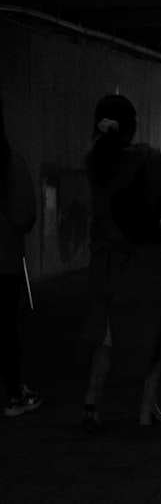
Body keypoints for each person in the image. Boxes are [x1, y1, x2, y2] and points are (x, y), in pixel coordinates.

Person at [80, 94, 161, 432]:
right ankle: (146, 409)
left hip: (108, 261)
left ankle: (91, 406)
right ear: (132, 125)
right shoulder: (148, 158)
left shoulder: (93, 163)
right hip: (147, 260)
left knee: (107, 338)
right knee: (156, 332)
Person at [1, 97, 41, 417]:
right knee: (6, 329)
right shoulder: (11, 161)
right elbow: (23, 215)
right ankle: (15, 395)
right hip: (4, 259)